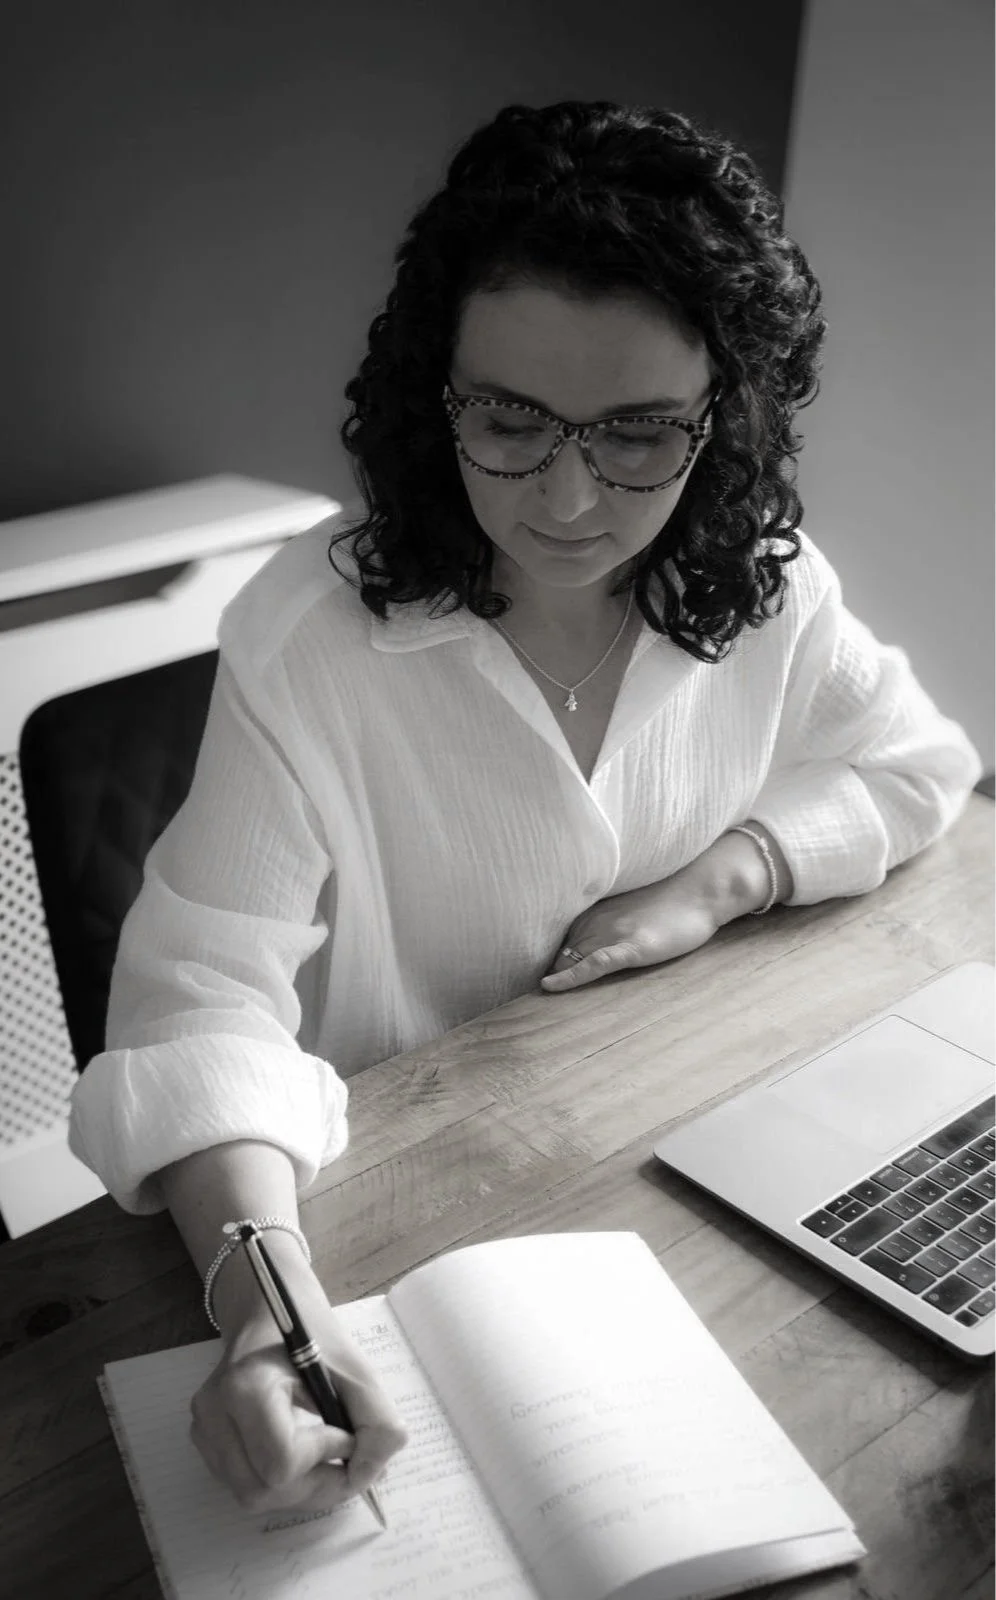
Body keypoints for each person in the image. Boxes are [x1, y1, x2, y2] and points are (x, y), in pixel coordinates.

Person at [69, 99, 982, 1518]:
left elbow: (922, 767)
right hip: (392, 1221)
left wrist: (728, 876)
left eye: (637, 433)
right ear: (441, 393)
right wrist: (264, 1298)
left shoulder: (765, 584)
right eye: (510, 418)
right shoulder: (310, 634)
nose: (567, 497)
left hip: (658, 1159)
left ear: (720, 412)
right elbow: (196, 1000)